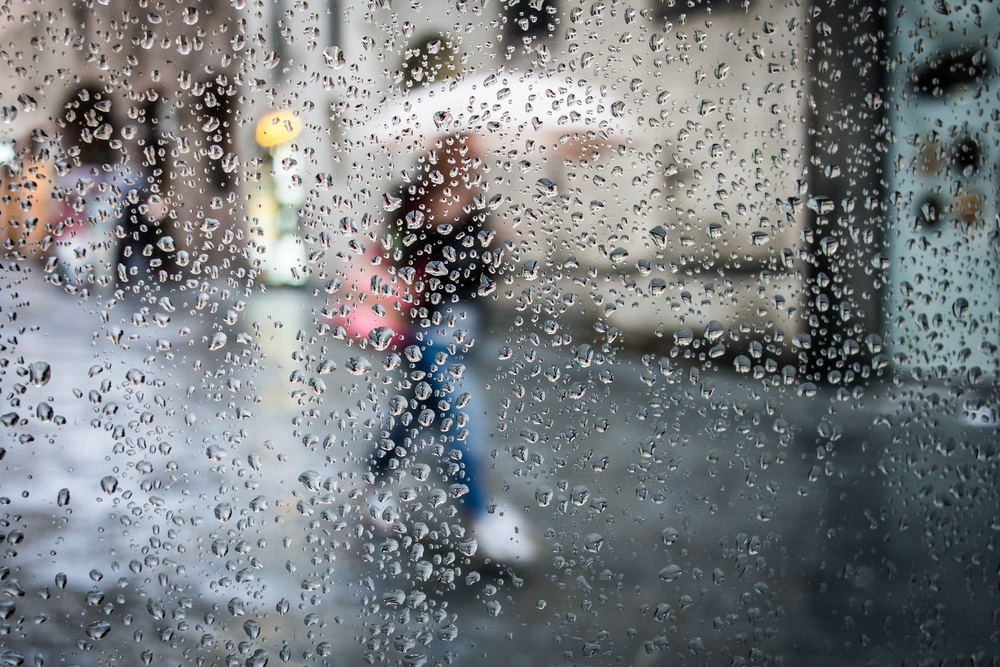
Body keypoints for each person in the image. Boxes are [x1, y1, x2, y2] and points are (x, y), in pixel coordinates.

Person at [367, 133, 537, 565]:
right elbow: (388, 257)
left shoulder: (477, 209)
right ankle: (480, 515)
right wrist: (415, 249)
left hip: (468, 327)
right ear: (445, 155)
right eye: (468, 154)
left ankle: (375, 479)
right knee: (461, 414)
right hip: (427, 330)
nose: (475, 164)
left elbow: (484, 280)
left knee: (416, 411)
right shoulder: (411, 202)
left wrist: (500, 248)